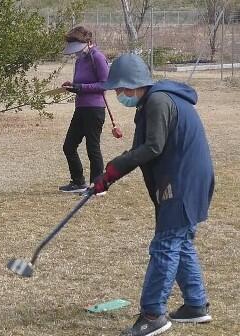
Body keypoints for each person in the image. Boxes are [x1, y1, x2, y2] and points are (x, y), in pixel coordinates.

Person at [92, 54, 214, 336]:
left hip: (183, 180)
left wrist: (113, 170)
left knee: (165, 245)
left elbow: (153, 148)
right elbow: (139, 149)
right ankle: (196, 306)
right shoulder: (152, 101)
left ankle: (152, 314)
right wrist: (106, 177)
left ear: (135, 84)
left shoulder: (158, 101)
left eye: (121, 89)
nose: (119, 94)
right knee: (179, 240)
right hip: (186, 177)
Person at [58, 26, 109, 193]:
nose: (76, 53)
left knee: (92, 147)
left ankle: (98, 186)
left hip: (94, 109)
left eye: (77, 48)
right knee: (69, 146)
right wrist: (72, 86)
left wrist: (81, 87)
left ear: (88, 42)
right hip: (80, 108)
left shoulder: (98, 57)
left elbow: (104, 84)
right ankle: (78, 182)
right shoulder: (80, 60)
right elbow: (81, 84)